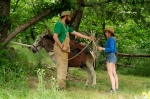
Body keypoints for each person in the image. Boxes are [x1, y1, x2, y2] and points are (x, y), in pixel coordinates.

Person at [53, 11, 93, 89]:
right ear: (65, 16)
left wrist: (88, 38)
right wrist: (61, 46)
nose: (70, 18)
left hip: (65, 50)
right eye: (69, 17)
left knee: (64, 67)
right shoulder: (59, 24)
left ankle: (61, 86)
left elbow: (76, 33)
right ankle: (59, 87)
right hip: (60, 49)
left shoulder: (66, 27)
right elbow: (55, 36)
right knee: (61, 67)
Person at [98, 27, 119, 93]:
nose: (105, 33)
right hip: (112, 57)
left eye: (106, 32)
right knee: (114, 73)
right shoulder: (111, 39)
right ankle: (116, 89)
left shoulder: (111, 40)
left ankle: (113, 89)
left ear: (110, 33)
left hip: (110, 57)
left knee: (110, 73)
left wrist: (102, 48)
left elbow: (112, 49)